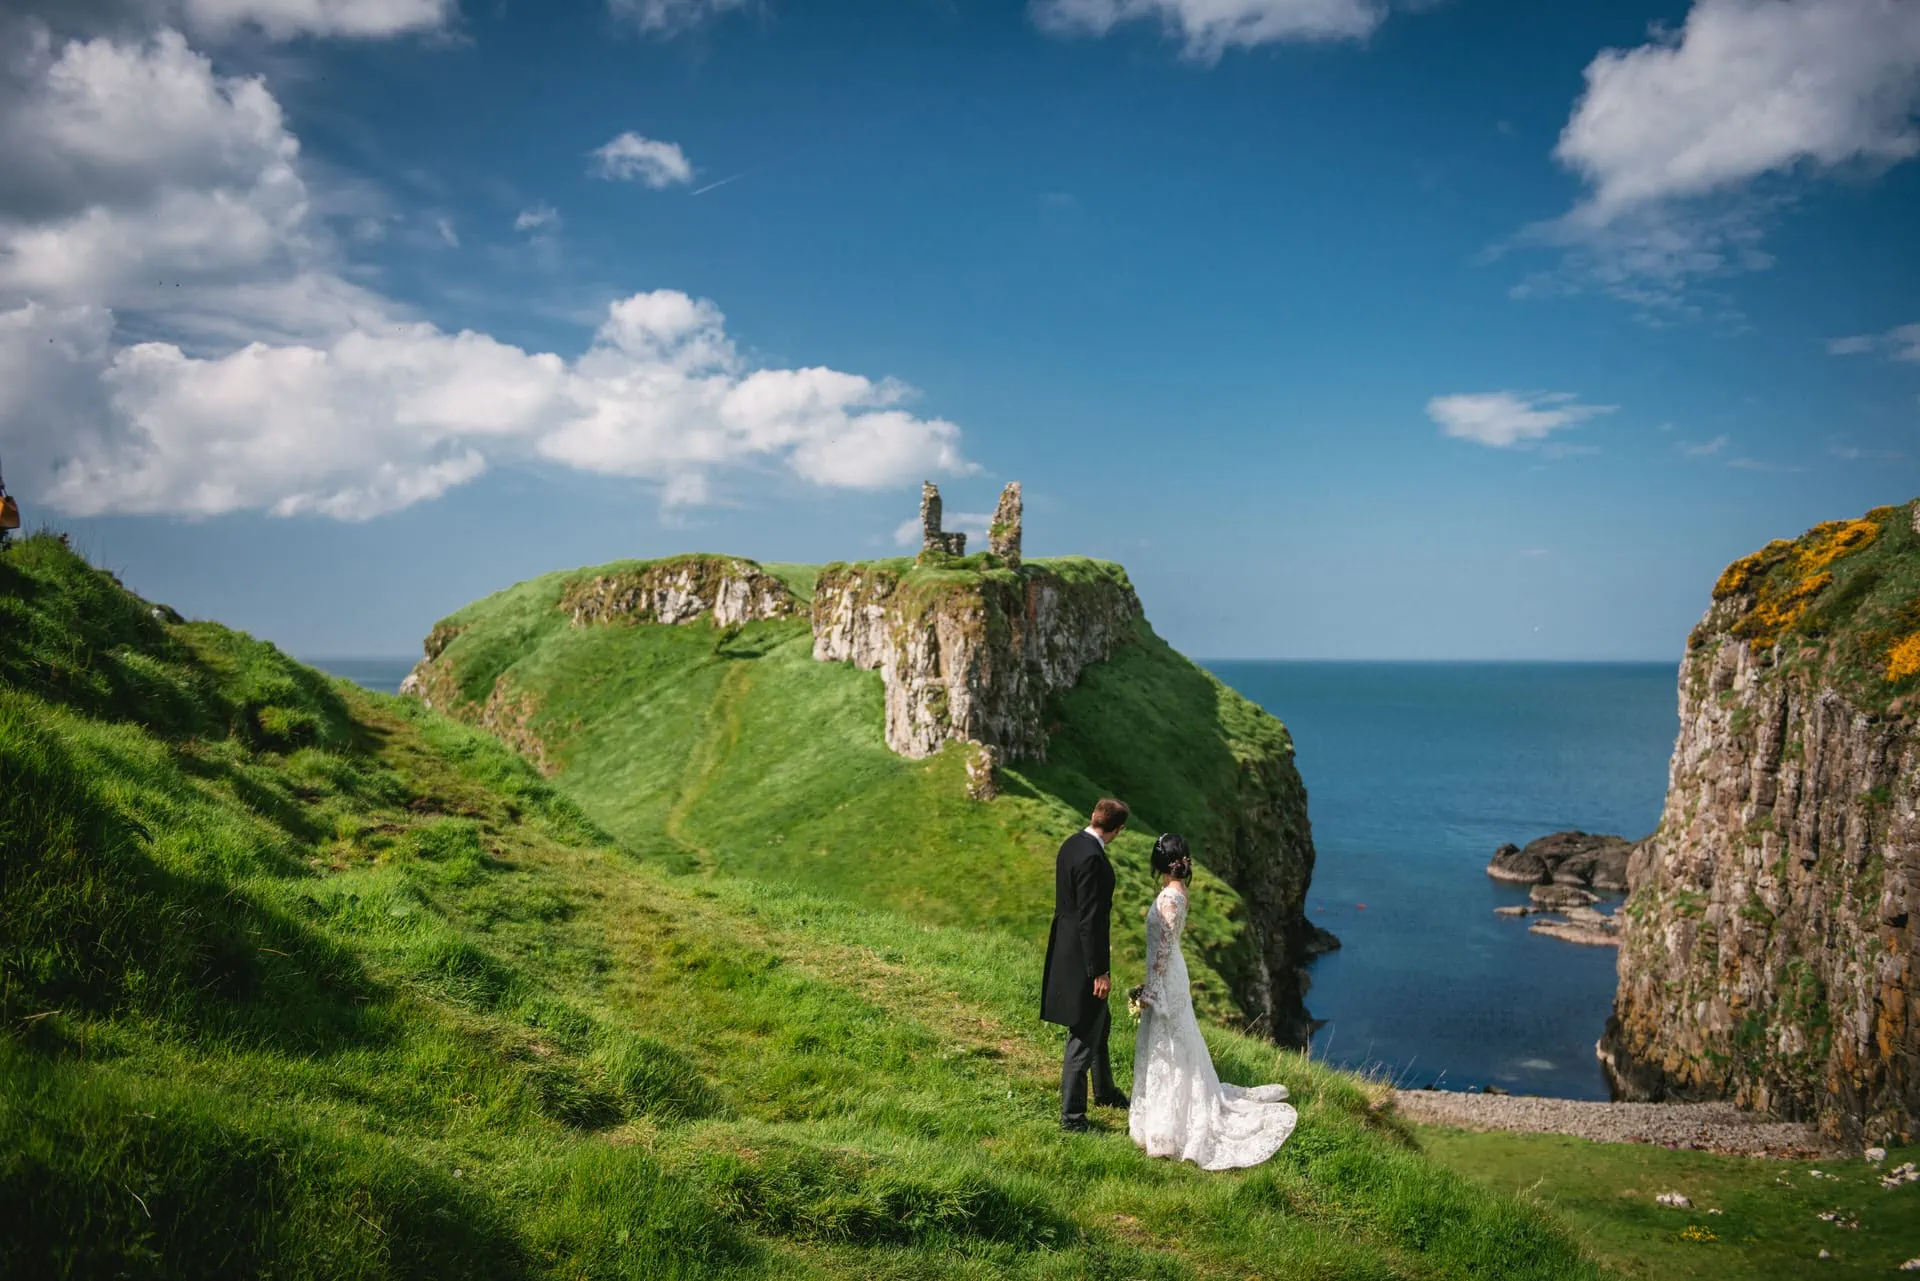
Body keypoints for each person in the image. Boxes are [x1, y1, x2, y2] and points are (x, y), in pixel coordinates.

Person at [1130, 833, 1297, 1169]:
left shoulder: (1167, 898)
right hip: (1174, 974)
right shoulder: (1179, 893)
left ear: (1158, 863)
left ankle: (1168, 1125)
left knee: (1170, 1044)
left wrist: (1150, 989)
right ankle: (1171, 1115)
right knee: (1176, 1040)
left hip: (1166, 976)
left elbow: (1162, 950)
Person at [1040, 798, 1131, 1131]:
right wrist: (1099, 971)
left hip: (1064, 945)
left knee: (1099, 1025)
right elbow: (1091, 919)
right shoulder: (1094, 858)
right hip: (1083, 955)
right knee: (1082, 1034)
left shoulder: (1071, 844)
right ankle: (1072, 1117)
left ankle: (1105, 1090)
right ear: (1117, 829)